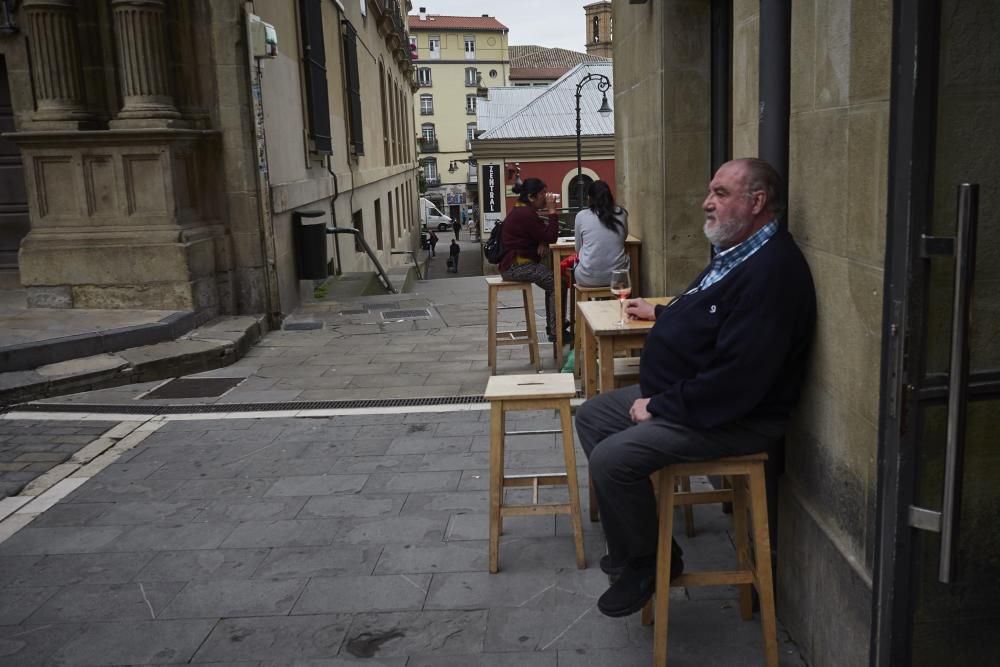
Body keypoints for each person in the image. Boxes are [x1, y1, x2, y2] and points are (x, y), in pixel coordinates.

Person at [574, 158, 816, 618]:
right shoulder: (739, 252)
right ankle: (638, 545)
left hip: (734, 416)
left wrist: (661, 405)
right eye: (711, 192)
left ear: (757, 201)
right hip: (690, 393)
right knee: (592, 416)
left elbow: (738, 380)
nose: (707, 203)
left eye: (720, 194)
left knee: (614, 459)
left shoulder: (772, 273)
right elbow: (712, 313)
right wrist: (664, 315)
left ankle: (650, 564)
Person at [498, 177, 562, 341]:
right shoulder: (526, 214)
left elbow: (540, 234)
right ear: (532, 197)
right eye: (542, 194)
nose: (545, 197)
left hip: (514, 264)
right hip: (516, 266)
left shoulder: (522, 210)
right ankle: (556, 329)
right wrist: (553, 211)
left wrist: (542, 240)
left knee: (553, 281)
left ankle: (555, 325)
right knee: (556, 282)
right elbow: (551, 236)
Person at [574, 180, 629, 287]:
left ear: (589, 198)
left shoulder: (581, 216)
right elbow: (624, 237)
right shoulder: (622, 213)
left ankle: (589, 303)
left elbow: (578, 249)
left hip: (587, 277)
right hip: (618, 277)